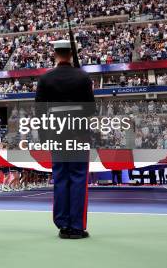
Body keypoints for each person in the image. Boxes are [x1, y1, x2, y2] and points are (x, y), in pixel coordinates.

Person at [35, 39, 95, 240]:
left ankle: (63, 224)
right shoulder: (83, 78)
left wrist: (44, 137)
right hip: (78, 133)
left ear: (55, 54)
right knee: (78, 178)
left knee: (61, 178)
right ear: (71, 54)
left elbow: (39, 112)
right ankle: (76, 226)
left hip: (56, 133)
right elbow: (91, 110)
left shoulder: (45, 79)